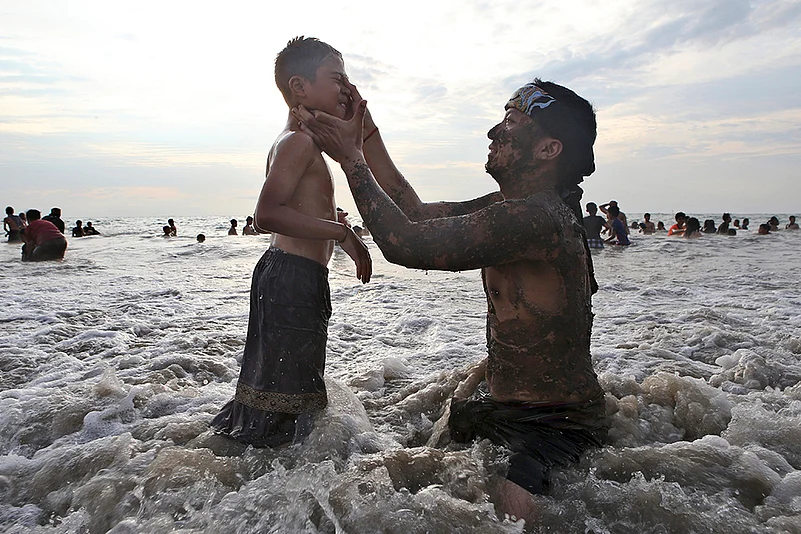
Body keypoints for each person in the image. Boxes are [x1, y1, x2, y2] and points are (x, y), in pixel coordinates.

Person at [296, 78, 606, 518]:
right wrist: (364, 133)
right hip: (505, 404)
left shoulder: (536, 219)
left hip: (556, 420)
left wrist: (350, 159)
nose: (494, 132)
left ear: (547, 149)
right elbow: (415, 213)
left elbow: (405, 243)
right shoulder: (509, 205)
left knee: (510, 508)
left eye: (511, 123)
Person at [210, 37, 371, 449]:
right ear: (299, 87)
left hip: (291, 276)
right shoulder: (298, 142)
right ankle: (267, 473)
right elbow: (267, 213)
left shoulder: (300, 141)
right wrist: (342, 233)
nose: (347, 89)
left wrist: (335, 224)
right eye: (337, 79)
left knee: (280, 391)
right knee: (289, 403)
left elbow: (297, 209)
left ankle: (250, 465)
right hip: (291, 278)